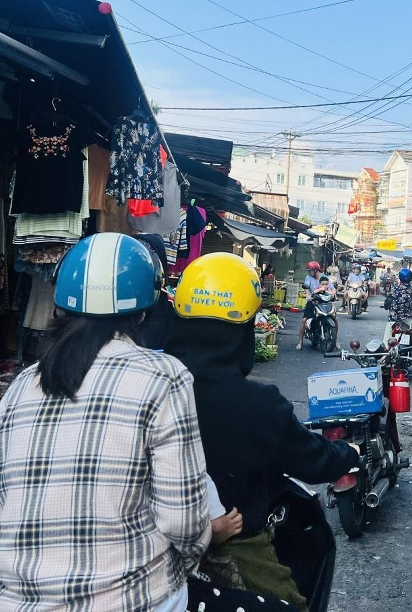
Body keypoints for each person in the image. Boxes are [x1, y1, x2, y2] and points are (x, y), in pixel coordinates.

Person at [0, 233, 211, 611]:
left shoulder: (23, 384)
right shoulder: (165, 376)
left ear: (61, 307)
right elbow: (182, 521)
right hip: (133, 599)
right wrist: (187, 562)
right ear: (144, 312)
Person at [164, 253, 360, 610]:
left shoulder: (148, 385)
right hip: (235, 543)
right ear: (243, 330)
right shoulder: (258, 403)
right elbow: (311, 460)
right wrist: (348, 454)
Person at [298, 274, 338, 350]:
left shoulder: (325, 278)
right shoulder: (309, 278)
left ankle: (335, 341)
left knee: (335, 319)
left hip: (326, 304)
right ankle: (300, 342)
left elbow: (332, 292)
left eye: (326, 284)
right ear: (319, 284)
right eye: (323, 284)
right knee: (304, 320)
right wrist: (311, 295)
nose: (324, 285)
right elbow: (313, 292)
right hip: (313, 303)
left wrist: (333, 295)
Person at [384, 268, 412, 343]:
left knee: (386, 338)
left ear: (400, 277)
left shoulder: (394, 290)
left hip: (393, 320)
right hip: (409, 320)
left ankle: (386, 350)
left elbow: (386, 304)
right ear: (410, 277)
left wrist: (387, 306)